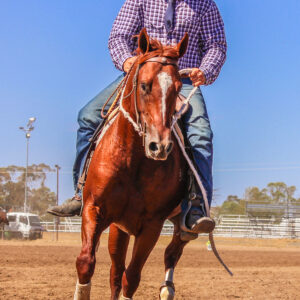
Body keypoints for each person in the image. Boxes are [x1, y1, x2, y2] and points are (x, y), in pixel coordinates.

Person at [48, 0, 227, 234]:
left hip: (179, 81)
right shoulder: (139, 0)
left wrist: (205, 70)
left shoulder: (204, 4)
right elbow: (119, 36)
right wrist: (127, 60)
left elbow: (216, 45)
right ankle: (82, 194)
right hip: (141, 77)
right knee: (88, 116)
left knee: (200, 134)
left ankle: (196, 208)